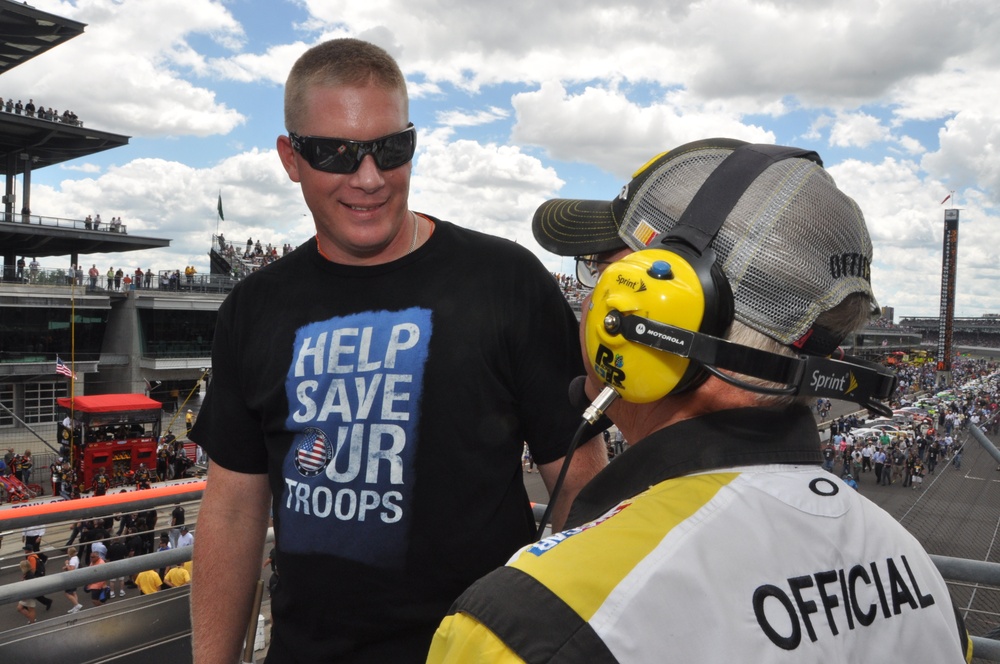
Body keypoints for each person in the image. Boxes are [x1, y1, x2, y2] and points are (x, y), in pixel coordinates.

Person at [428, 138, 972, 662]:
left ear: (662, 319)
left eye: (600, 268)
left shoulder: (521, 626)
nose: (592, 299)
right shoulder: (922, 578)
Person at [189, 37, 605, 664]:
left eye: (391, 149)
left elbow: (580, 484)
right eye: (336, 153)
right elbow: (232, 509)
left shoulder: (507, 281)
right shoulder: (254, 308)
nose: (369, 178)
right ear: (290, 158)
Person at [64, 546, 84, 613]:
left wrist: (67, 564)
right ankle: (76, 607)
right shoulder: (76, 558)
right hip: (75, 577)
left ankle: (77, 605)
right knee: (73, 592)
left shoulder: (72, 560)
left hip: (71, 578)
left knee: (67, 593)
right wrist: (66, 566)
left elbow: (71, 570)